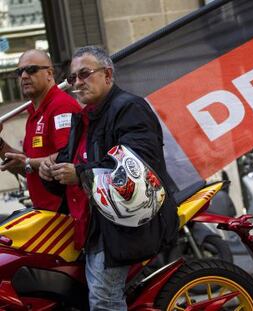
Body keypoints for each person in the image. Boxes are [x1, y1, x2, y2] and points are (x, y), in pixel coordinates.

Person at [39, 46, 178, 310]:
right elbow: (70, 167)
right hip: (92, 224)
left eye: (85, 74)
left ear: (108, 75)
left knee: (104, 301)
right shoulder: (82, 118)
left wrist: (79, 174)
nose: (78, 82)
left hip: (121, 226)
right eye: (72, 78)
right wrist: (51, 172)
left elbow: (137, 166)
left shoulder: (129, 108)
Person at [0, 49, 81, 211]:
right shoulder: (34, 112)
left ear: (49, 73)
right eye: (19, 71)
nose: (23, 76)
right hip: (43, 212)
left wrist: (28, 162)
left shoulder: (61, 106)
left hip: (64, 213)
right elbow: (28, 169)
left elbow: (67, 157)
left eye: (31, 70)